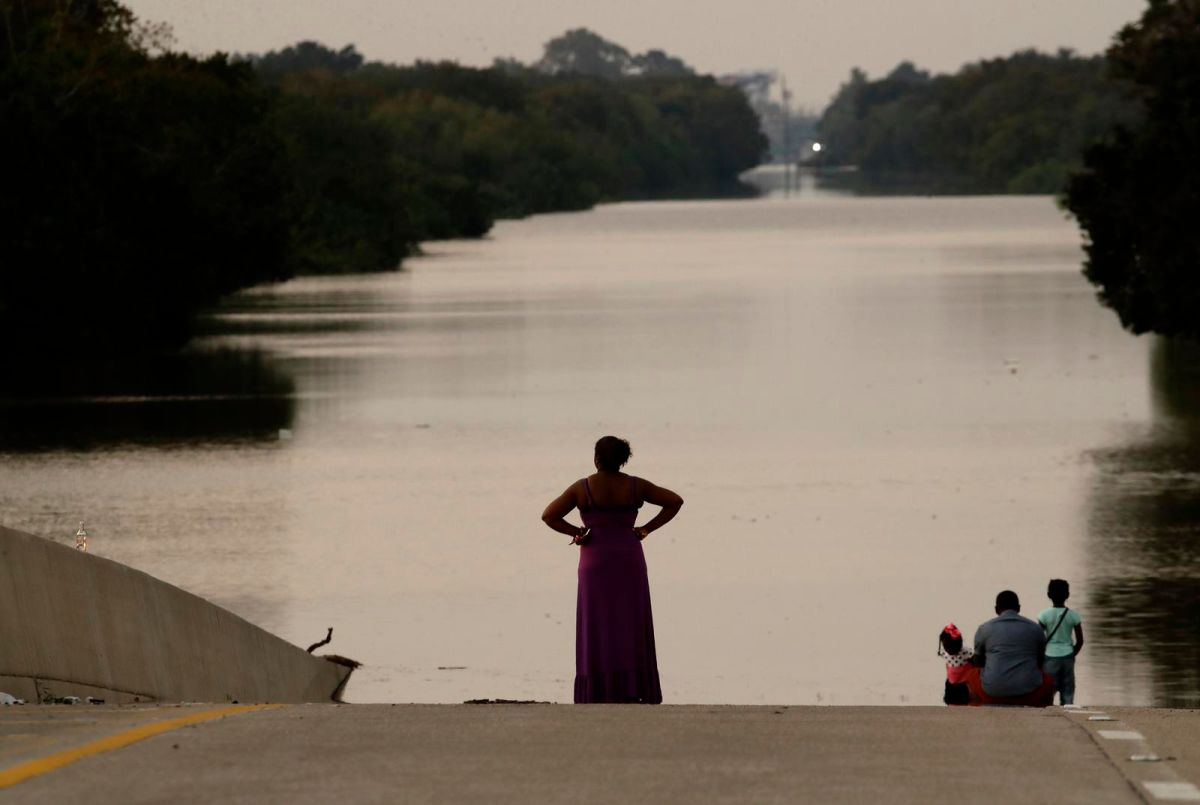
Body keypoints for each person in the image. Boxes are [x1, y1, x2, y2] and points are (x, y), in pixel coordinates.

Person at [541, 436, 683, 704]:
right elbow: (675, 501)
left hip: (594, 560)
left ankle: (597, 690)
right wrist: (646, 529)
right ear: (623, 460)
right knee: (630, 621)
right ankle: (634, 687)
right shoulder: (636, 486)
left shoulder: (582, 488)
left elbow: (549, 515)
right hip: (629, 557)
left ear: (596, 459)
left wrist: (577, 532)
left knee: (597, 623)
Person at [966, 590, 1055, 706]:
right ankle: (1042, 711)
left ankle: (978, 709)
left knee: (971, 675)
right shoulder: (1036, 629)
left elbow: (978, 661)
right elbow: (1041, 662)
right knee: (1048, 679)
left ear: (996, 609)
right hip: (1030, 694)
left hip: (992, 693)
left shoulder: (984, 629)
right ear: (1018, 608)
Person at [1038, 579, 1084, 705]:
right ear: (1068, 595)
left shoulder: (1043, 615)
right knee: (1068, 689)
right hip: (1068, 655)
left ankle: (1048, 712)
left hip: (1049, 656)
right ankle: (1068, 709)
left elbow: (1039, 639)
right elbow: (1080, 641)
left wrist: (1039, 657)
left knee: (1048, 690)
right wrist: (1072, 653)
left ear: (1048, 595)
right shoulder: (1073, 615)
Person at [938, 623, 974, 705]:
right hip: (965, 686)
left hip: (951, 686)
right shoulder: (968, 652)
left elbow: (941, 654)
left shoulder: (945, 654)